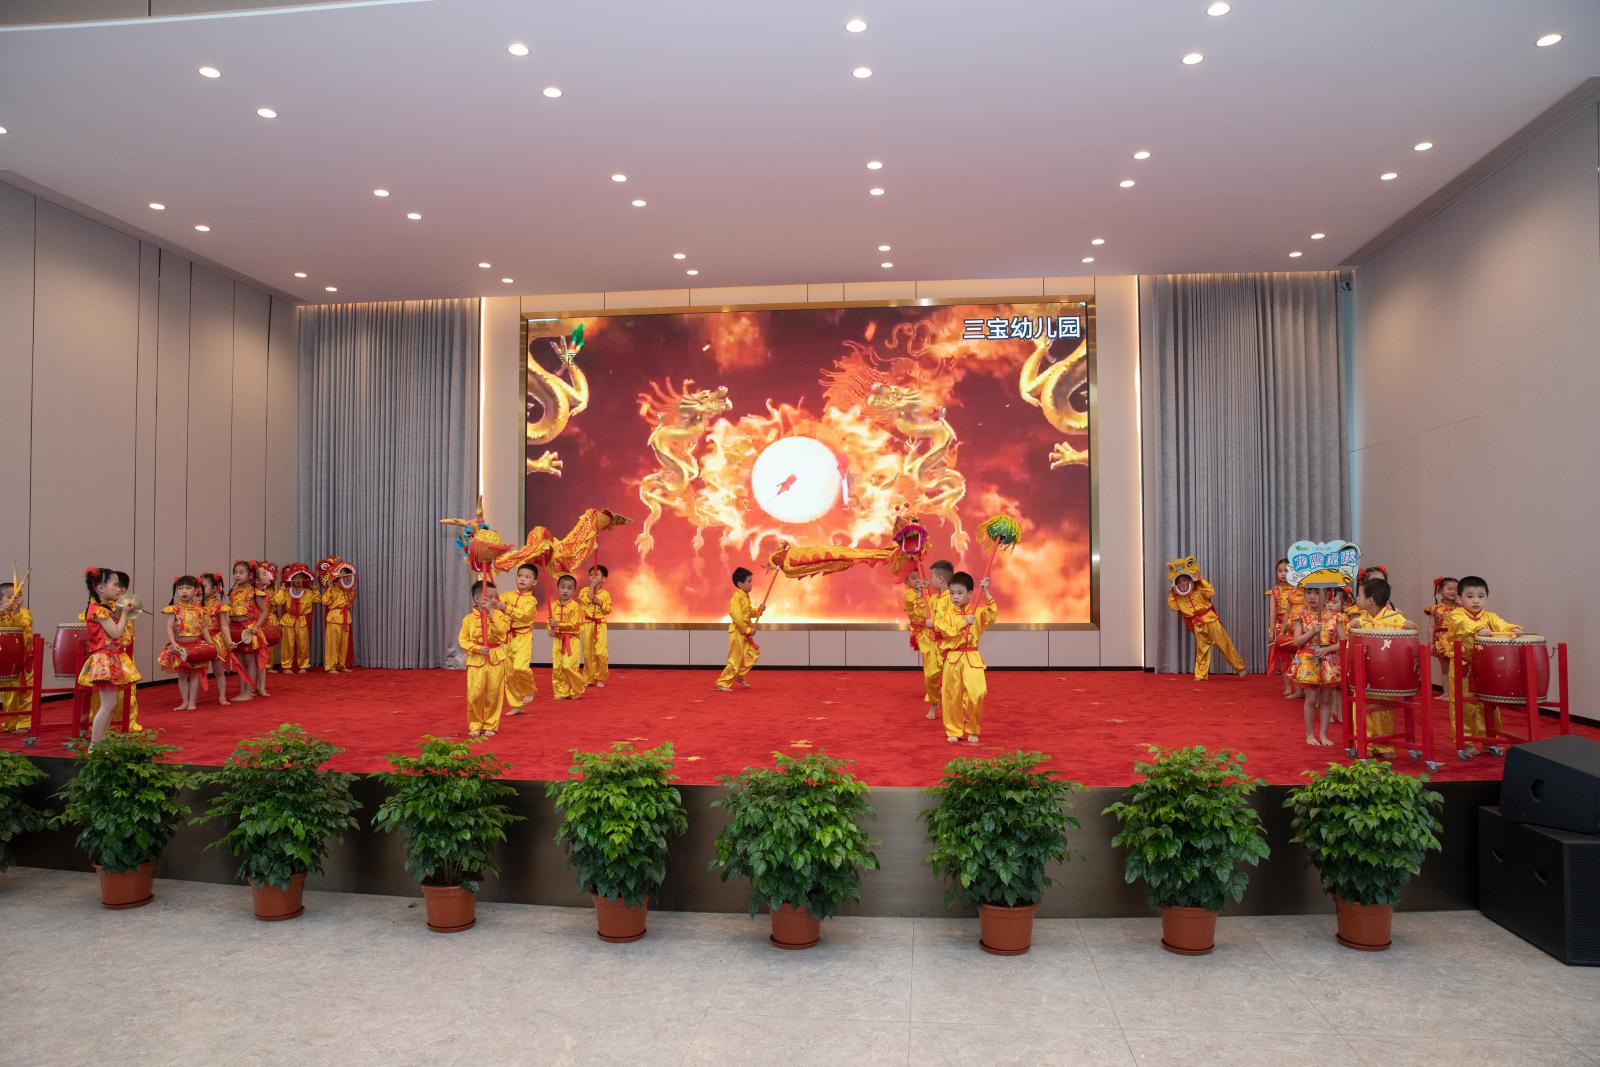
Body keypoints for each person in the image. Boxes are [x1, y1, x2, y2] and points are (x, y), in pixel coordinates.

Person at [1446, 575, 1522, 751]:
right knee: (1463, 705)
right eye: (1470, 596)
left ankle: (1490, 739)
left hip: (1485, 668)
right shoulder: (1456, 615)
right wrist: (1479, 629)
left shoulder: (1489, 616)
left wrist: (1513, 629)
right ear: (1459, 599)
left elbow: (1502, 624)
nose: (1476, 600)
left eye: (1481, 596)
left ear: (1486, 598)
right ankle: (1465, 741)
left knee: (1488, 703)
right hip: (1462, 667)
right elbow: (1464, 626)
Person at [929, 571, 996, 744]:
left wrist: (986, 592)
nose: (955, 597)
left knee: (977, 693)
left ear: (970, 593)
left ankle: (973, 728)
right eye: (952, 593)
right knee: (951, 696)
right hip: (953, 658)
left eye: (959, 593)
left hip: (972, 658)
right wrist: (964, 622)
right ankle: (954, 729)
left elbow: (992, 615)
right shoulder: (947, 615)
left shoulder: (977, 612)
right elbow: (945, 631)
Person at [78, 567, 140, 745]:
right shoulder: (99, 610)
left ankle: (101, 742)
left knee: (109, 705)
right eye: (115, 584)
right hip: (105, 659)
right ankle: (95, 744)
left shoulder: (102, 608)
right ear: (100, 588)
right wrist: (125, 614)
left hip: (110, 657)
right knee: (107, 705)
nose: (118, 588)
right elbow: (116, 633)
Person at [1350, 576, 1411, 756]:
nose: (1356, 598)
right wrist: (1352, 626)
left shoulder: (1395, 617)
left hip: (1385, 674)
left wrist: (1410, 625)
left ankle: (1384, 744)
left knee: (1384, 709)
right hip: (1365, 673)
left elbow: (1411, 628)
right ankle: (1365, 744)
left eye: (1359, 595)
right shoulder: (1361, 619)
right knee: (1362, 707)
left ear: (1370, 600)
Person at [1166, 561, 1248, 681]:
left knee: (1224, 643)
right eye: (1180, 582)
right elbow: (1173, 606)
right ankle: (1200, 675)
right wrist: (1173, 592)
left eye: (1185, 580)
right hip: (1197, 624)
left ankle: (1240, 667)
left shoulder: (1199, 588)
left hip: (1210, 619)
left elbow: (1211, 593)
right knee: (1202, 649)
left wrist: (1201, 580)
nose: (1183, 584)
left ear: (1190, 580)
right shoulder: (1177, 596)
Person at [1291, 586, 1344, 747]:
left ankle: (1324, 735)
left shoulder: (1336, 617)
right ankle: (1309, 734)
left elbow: (1343, 642)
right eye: (1308, 592)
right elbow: (1296, 641)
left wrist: (1328, 649)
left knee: (1326, 700)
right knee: (1311, 699)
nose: (1312, 596)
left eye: (1316, 593)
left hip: (1328, 660)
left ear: (1326, 595)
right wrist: (1312, 631)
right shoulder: (1301, 615)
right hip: (1309, 659)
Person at [458, 580, 509, 738]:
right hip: (476, 660)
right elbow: (463, 640)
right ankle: (475, 723)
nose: (494, 600)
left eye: (495, 597)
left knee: (493, 693)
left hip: (495, 658)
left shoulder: (499, 615)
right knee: (475, 694)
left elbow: (503, 634)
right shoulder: (468, 619)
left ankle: (490, 724)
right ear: (477, 599)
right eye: (490, 597)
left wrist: (492, 614)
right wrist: (477, 649)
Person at [158, 576, 208, 712]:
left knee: (194, 674)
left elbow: (203, 628)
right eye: (180, 588)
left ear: (196, 590)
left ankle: (192, 702)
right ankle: (185, 701)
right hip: (180, 646)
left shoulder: (200, 609)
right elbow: (169, 628)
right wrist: (173, 643)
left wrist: (211, 644)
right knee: (182, 675)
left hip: (196, 645)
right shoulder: (174, 609)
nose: (184, 591)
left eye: (188, 588)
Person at [499, 563, 540, 713]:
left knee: (520, 667)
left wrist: (506, 608)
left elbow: (524, 616)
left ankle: (528, 689)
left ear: (534, 582)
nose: (522, 579)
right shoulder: (506, 596)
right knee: (509, 673)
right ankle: (516, 705)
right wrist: (492, 601)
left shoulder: (531, 601)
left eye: (527, 577)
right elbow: (496, 607)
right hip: (507, 638)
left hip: (523, 637)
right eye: (520, 576)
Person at [714, 566, 762, 692]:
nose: (751, 584)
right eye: (749, 581)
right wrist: (748, 630)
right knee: (735, 659)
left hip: (744, 633)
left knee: (753, 654)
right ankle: (722, 683)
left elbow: (748, 612)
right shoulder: (737, 597)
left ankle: (739, 675)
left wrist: (758, 611)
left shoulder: (745, 596)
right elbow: (737, 617)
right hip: (738, 633)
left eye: (751, 581)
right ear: (740, 584)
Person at [902, 573, 942, 720]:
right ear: (906, 581)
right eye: (912, 578)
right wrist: (921, 592)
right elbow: (917, 613)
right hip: (924, 634)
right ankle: (934, 700)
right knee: (931, 668)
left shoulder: (929, 593)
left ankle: (941, 691)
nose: (916, 580)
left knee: (943, 665)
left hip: (938, 632)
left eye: (918, 577)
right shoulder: (910, 594)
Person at [1264, 558, 1303, 699]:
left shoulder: (1298, 589)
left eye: (1286, 571)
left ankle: (1300, 688)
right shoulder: (1274, 591)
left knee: (1298, 658)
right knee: (1283, 658)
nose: (1283, 574)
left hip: (1296, 625)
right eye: (1280, 571)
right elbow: (1272, 612)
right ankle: (1288, 687)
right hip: (1280, 626)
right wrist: (1271, 629)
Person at [0, 580, 34, 733]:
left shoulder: (25, 613)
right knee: (10, 693)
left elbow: (21, 623)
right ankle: (11, 721)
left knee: (27, 692)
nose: (16, 599)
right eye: (10, 597)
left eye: (19, 595)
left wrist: (12, 612)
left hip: (26, 659)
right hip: (8, 661)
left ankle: (26, 723)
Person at [275, 563, 320, 673]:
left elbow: (319, 599)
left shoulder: (308, 592)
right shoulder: (286, 591)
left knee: (303, 644)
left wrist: (313, 588)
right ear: (291, 578)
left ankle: (303, 665)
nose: (298, 580)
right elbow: (278, 601)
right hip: (288, 620)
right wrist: (282, 588)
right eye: (295, 577)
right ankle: (286, 666)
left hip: (302, 621)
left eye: (300, 577)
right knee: (287, 644)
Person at [228, 560, 262, 701]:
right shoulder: (232, 592)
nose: (237, 575)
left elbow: (264, 611)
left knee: (250, 660)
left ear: (250, 575)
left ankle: (249, 691)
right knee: (240, 661)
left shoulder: (254, 592)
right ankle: (242, 691)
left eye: (241, 572)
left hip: (248, 628)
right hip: (235, 628)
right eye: (235, 572)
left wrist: (256, 626)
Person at [547, 574, 585, 701]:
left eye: (569, 588)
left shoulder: (576, 606)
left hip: (571, 640)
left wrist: (558, 625)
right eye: (562, 587)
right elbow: (549, 622)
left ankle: (577, 688)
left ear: (574, 591)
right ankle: (561, 692)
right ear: (558, 588)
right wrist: (550, 629)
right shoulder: (553, 605)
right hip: (558, 640)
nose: (565, 591)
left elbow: (576, 624)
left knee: (569, 666)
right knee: (558, 667)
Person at [200, 572, 231, 705]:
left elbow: (224, 625)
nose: (200, 589)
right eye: (199, 586)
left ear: (214, 589)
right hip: (201, 639)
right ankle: (193, 698)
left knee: (218, 671)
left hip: (216, 639)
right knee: (198, 670)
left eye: (204, 586)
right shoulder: (196, 605)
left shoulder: (220, 606)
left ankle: (222, 696)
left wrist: (229, 641)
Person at [579, 564, 612, 688]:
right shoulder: (584, 591)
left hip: (600, 625)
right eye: (591, 575)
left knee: (600, 652)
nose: (593, 577)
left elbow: (608, 610)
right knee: (588, 652)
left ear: (603, 579)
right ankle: (589, 678)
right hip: (587, 624)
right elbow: (586, 601)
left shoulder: (605, 594)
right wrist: (592, 588)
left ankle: (600, 677)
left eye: (597, 575)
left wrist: (601, 602)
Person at [1424, 576, 1459, 672]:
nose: (1453, 592)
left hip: (1457, 640)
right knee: (1445, 670)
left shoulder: (1461, 608)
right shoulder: (1435, 608)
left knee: (1458, 669)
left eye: (1456, 590)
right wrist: (1431, 643)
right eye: (1449, 589)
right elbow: (1431, 627)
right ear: (1440, 590)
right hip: (1441, 641)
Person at [253, 562, 278, 692]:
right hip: (254, 627)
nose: (268, 575)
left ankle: (260, 687)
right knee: (253, 659)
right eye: (264, 574)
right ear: (256, 580)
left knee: (261, 657)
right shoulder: (254, 594)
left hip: (262, 626)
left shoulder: (266, 592)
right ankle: (253, 686)